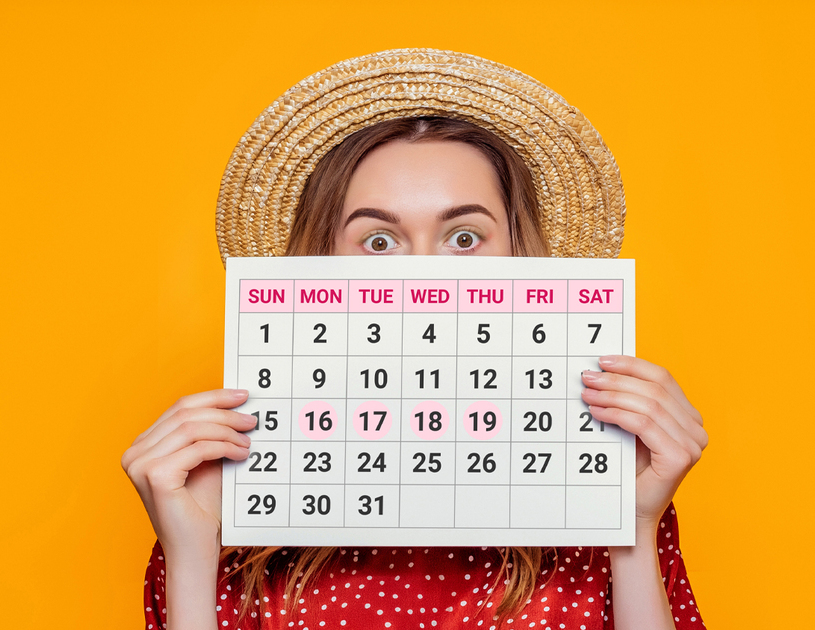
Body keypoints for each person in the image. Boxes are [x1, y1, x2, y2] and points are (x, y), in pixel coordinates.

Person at [123, 49, 708, 630]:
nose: (424, 277)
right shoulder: (219, 501)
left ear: (521, 258)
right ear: (319, 266)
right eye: (379, 241)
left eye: (463, 238)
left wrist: (629, 525)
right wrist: (191, 556)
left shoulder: (608, 477)